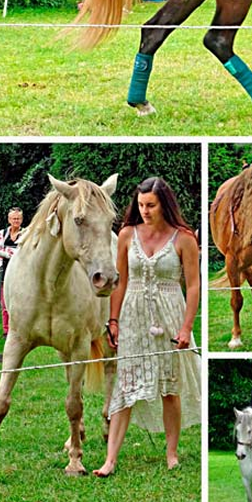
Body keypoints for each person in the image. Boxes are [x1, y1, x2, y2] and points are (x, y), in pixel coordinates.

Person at [93, 177, 201, 477]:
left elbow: (193, 286)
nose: (145, 211)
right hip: (133, 316)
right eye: (141, 205)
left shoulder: (184, 238)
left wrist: (186, 327)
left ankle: (171, 453)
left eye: (151, 205)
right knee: (124, 386)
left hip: (170, 316)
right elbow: (121, 281)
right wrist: (112, 320)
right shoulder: (127, 234)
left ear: (164, 204)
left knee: (169, 387)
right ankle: (110, 460)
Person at [0, 207, 24, 337]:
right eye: (13, 219)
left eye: (18, 219)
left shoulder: (26, 233)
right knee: (5, 301)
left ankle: (20, 329)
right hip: (4, 272)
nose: (16, 221)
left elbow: (24, 252)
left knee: (21, 301)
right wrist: (13, 253)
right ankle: (7, 330)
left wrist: (7, 252)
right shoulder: (2, 233)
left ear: (21, 219)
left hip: (21, 272)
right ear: (9, 219)